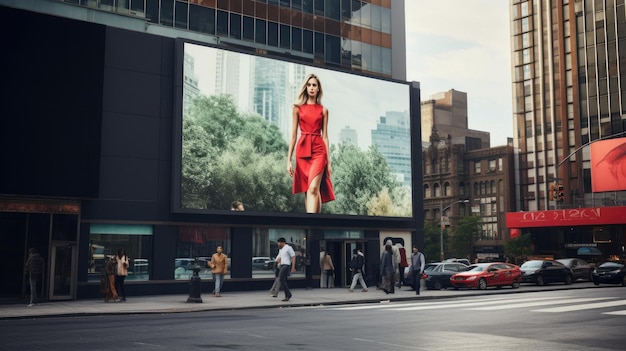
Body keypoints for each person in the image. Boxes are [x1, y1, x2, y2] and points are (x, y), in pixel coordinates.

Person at [286, 73, 335, 213]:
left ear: (318, 89)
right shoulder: (297, 108)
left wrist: (329, 162)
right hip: (302, 151)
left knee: (314, 188)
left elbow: (325, 137)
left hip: (319, 151)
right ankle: (313, 227)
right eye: (309, 85)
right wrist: (288, 160)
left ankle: (312, 225)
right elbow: (294, 135)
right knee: (308, 190)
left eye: (314, 85)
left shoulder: (324, 111)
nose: (311, 88)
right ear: (305, 88)